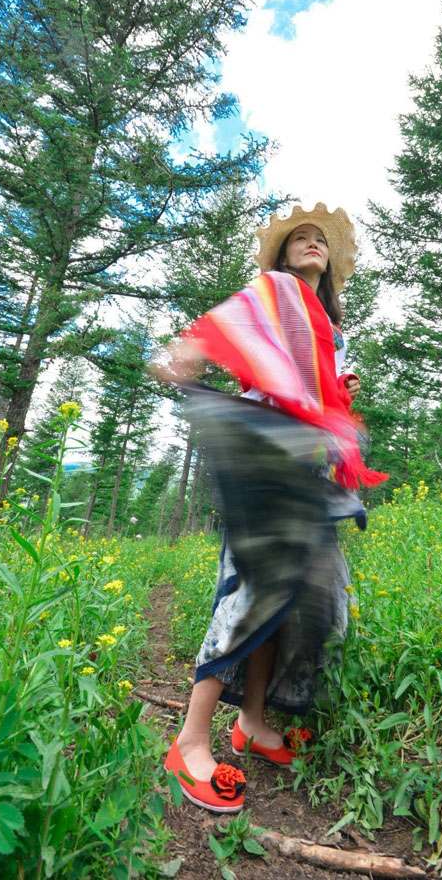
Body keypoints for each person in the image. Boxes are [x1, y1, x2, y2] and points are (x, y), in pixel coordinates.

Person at [154, 203, 387, 813]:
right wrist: (193, 350)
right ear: (284, 256)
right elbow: (241, 321)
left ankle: (252, 723)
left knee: (291, 598)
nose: (312, 244)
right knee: (254, 586)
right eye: (300, 239)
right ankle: (190, 741)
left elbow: (307, 386)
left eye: (320, 240)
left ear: (331, 260)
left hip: (306, 461)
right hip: (268, 452)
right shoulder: (279, 290)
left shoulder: (326, 328)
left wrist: (341, 390)